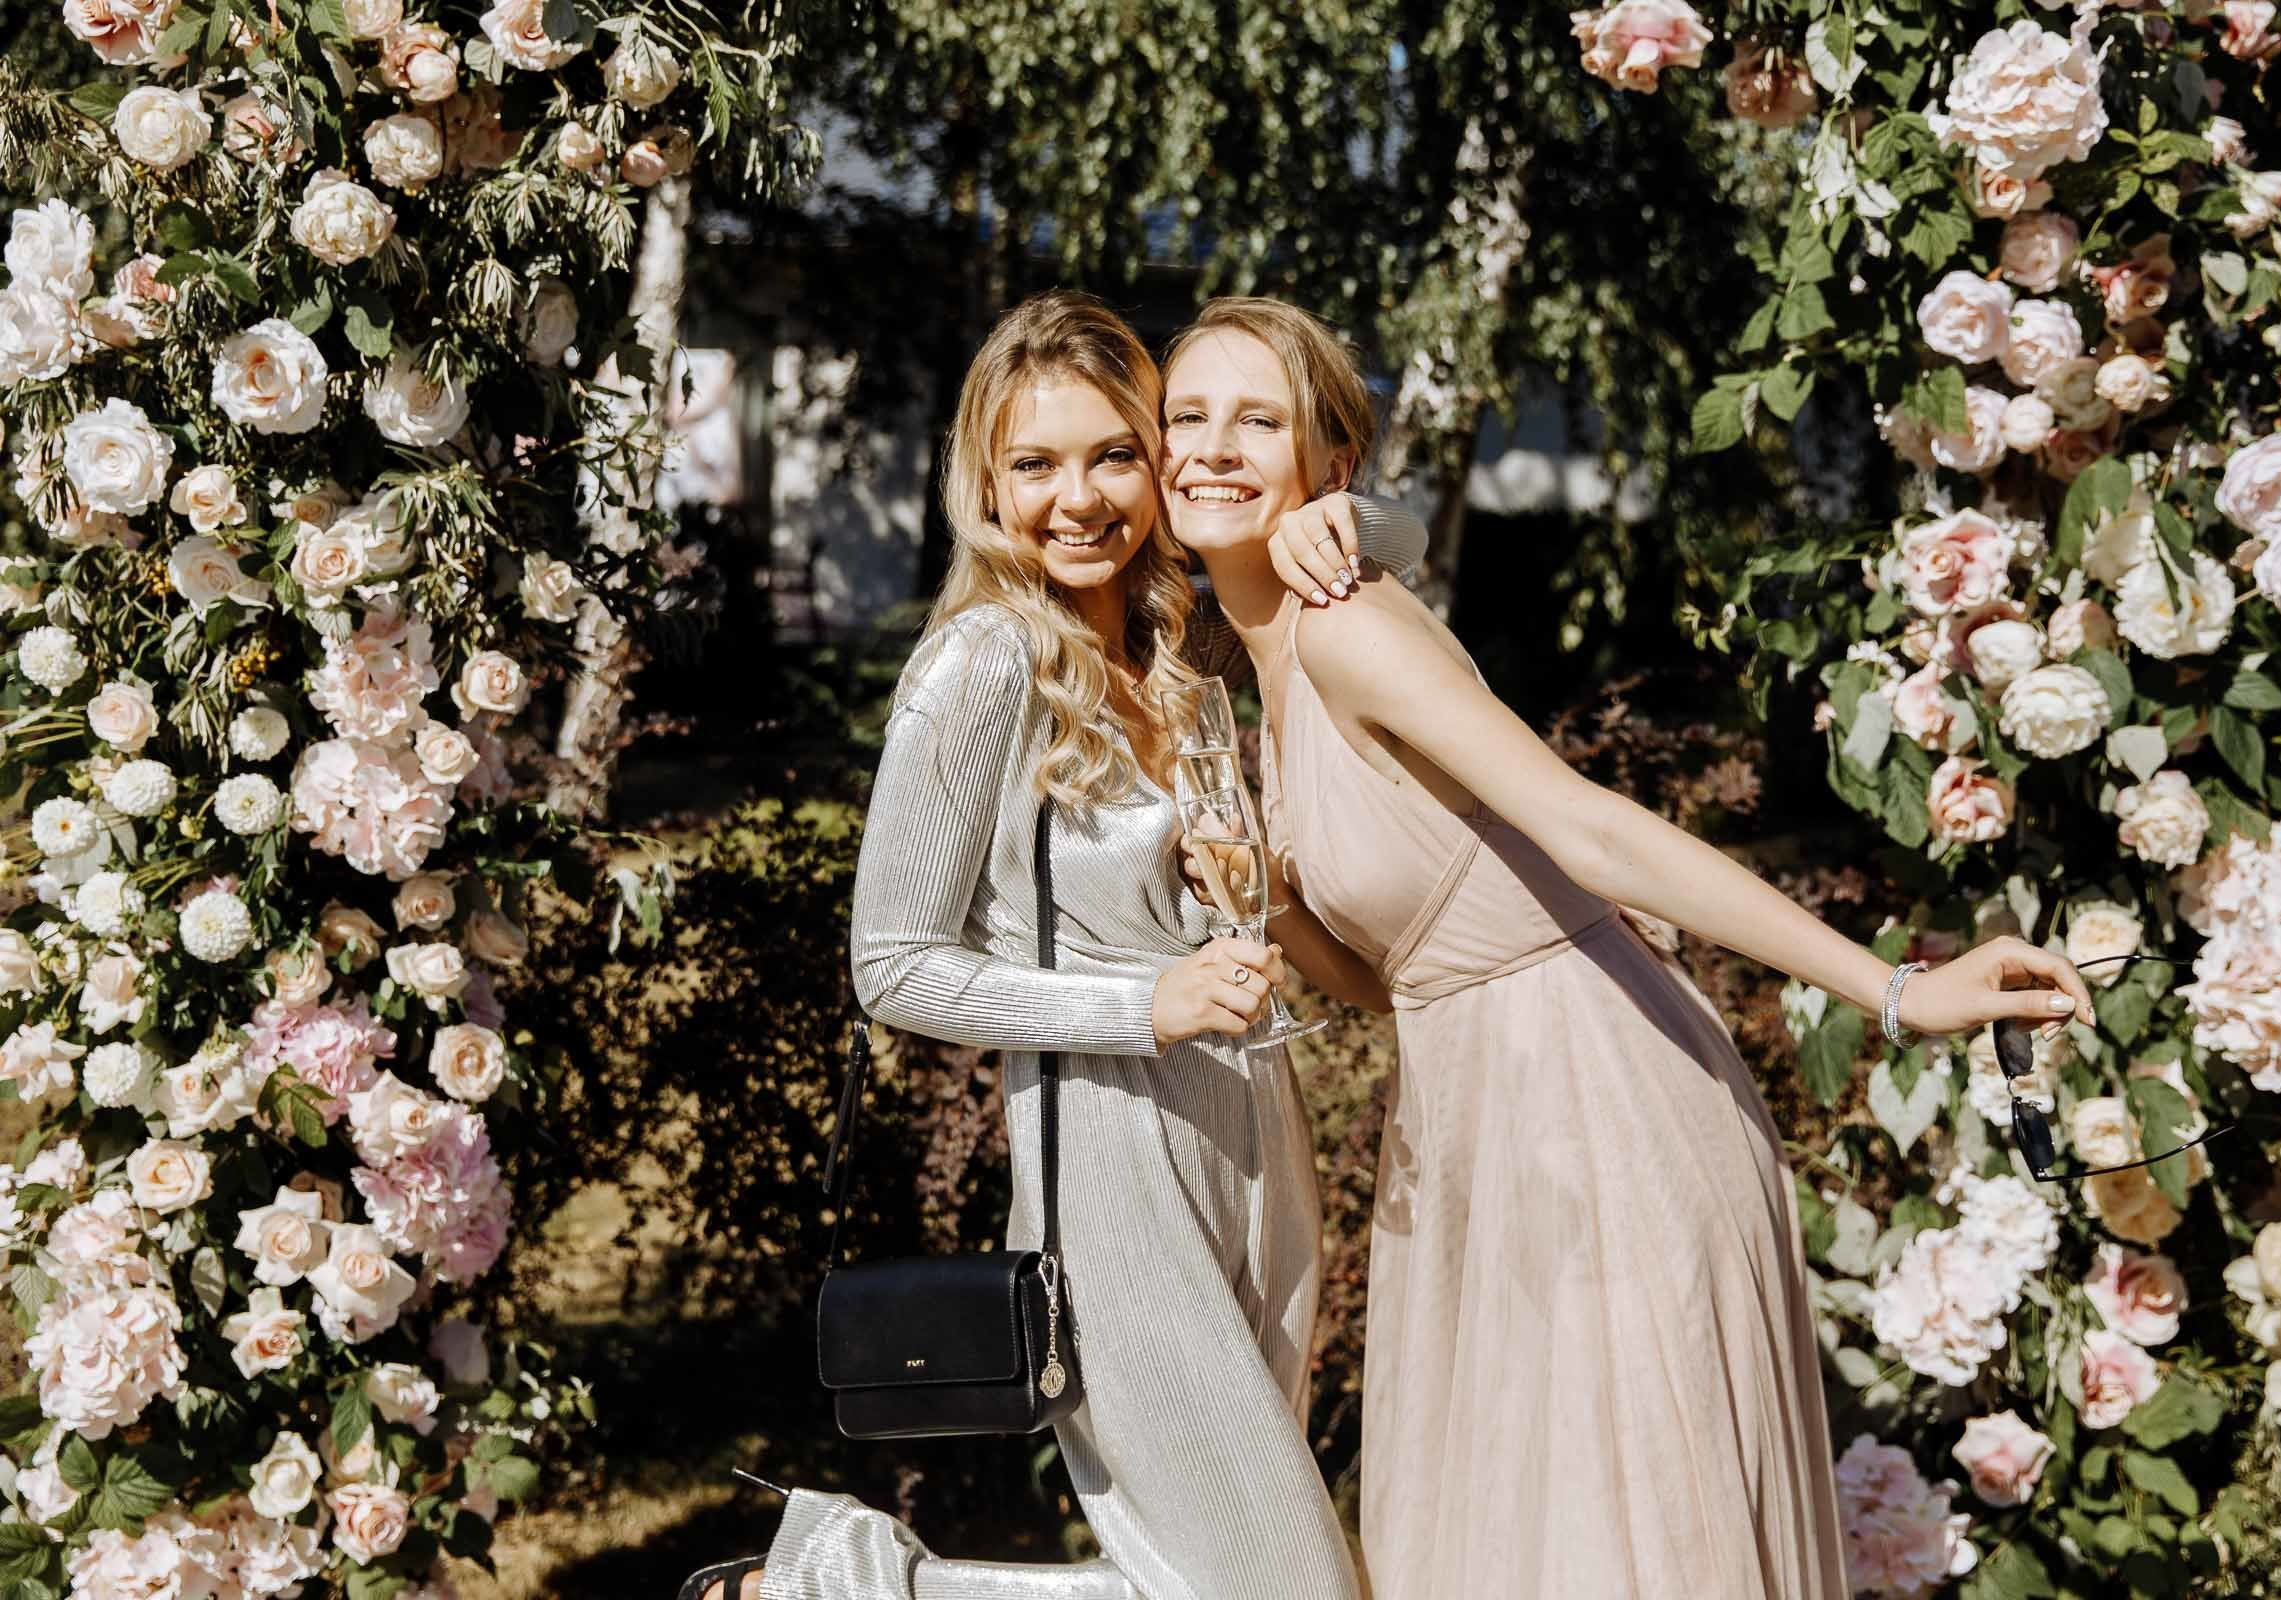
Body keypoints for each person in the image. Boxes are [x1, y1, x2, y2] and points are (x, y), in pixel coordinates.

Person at [1157, 296, 2097, 1600]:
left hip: (1597, 1095)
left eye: (1255, 419)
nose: (1209, 447)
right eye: (1184, 418)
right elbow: (1393, 983)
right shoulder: (1237, 676)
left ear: (1329, 463)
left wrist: (1896, 990)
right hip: (1473, 1107)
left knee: (1618, 1542)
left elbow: (1587, 828)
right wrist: (1271, 901)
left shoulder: (1345, 623)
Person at [680, 289, 1423, 1600]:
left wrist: (1355, 517)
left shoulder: (1170, 649)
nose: (1076, 498)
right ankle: (840, 1585)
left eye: (1111, 455)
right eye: (1035, 463)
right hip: (1116, 1161)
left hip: (1257, 1139)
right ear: (985, 480)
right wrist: (1147, 1004)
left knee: (1205, 1573)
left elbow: (1391, 544)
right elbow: (890, 964)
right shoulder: (981, 666)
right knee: (1291, 1586)